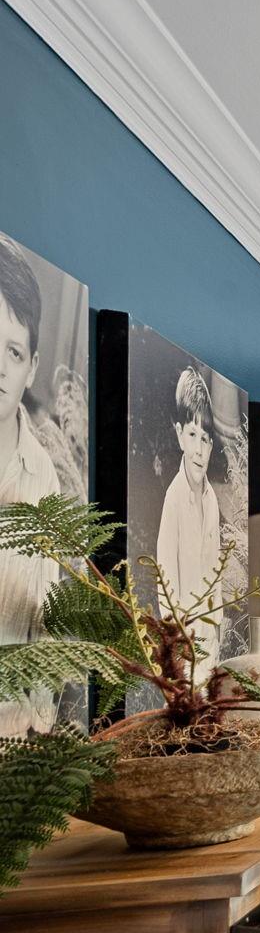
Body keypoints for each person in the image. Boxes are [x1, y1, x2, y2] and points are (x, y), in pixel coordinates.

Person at [0, 237, 61, 734]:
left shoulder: (45, 479)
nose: (0, 366)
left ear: (31, 368)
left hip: (15, 747)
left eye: (14, 351)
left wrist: (40, 731)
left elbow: (46, 625)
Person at [156, 366, 224, 675]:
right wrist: (176, 639)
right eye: (193, 435)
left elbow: (216, 568)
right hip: (184, 640)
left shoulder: (211, 500)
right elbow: (165, 577)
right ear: (180, 435)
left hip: (211, 636)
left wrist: (218, 624)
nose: (199, 448)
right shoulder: (173, 499)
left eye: (206, 438)